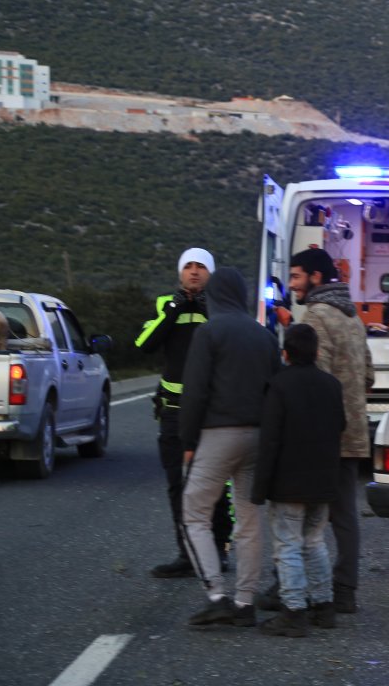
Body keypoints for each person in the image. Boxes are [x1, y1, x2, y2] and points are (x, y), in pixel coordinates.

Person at [181, 267, 281, 627]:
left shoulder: (208, 332)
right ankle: (245, 601)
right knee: (249, 520)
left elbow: (195, 391)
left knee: (194, 512)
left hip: (218, 433)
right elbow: (277, 392)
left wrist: (188, 441)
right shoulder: (266, 336)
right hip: (258, 436)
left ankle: (215, 594)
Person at [135, 247, 232, 579]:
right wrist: (175, 308)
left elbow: (229, 341)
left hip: (212, 413)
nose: (194, 272)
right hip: (174, 412)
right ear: (179, 273)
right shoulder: (166, 304)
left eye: (201, 267)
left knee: (217, 485)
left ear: (211, 273)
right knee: (178, 485)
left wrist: (207, 308)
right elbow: (143, 343)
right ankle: (187, 553)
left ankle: (220, 549)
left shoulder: (221, 307)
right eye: (188, 266)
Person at [286, 247, 373, 614]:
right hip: (354, 431)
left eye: (296, 276)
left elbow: (311, 379)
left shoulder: (316, 317)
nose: (292, 286)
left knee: (297, 515)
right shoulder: (353, 317)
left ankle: (291, 588)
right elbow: (368, 375)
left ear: (316, 278)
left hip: (324, 435)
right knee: (345, 516)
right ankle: (346, 590)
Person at [251, 323, 346, 637]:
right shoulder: (332, 385)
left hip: (288, 483)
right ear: (317, 352)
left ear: (285, 353)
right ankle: (324, 605)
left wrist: (260, 487)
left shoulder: (278, 386)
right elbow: (340, 426)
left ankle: (293, 611)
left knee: (287, 546)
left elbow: (270, 441)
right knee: (314, 542)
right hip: (323, 482)